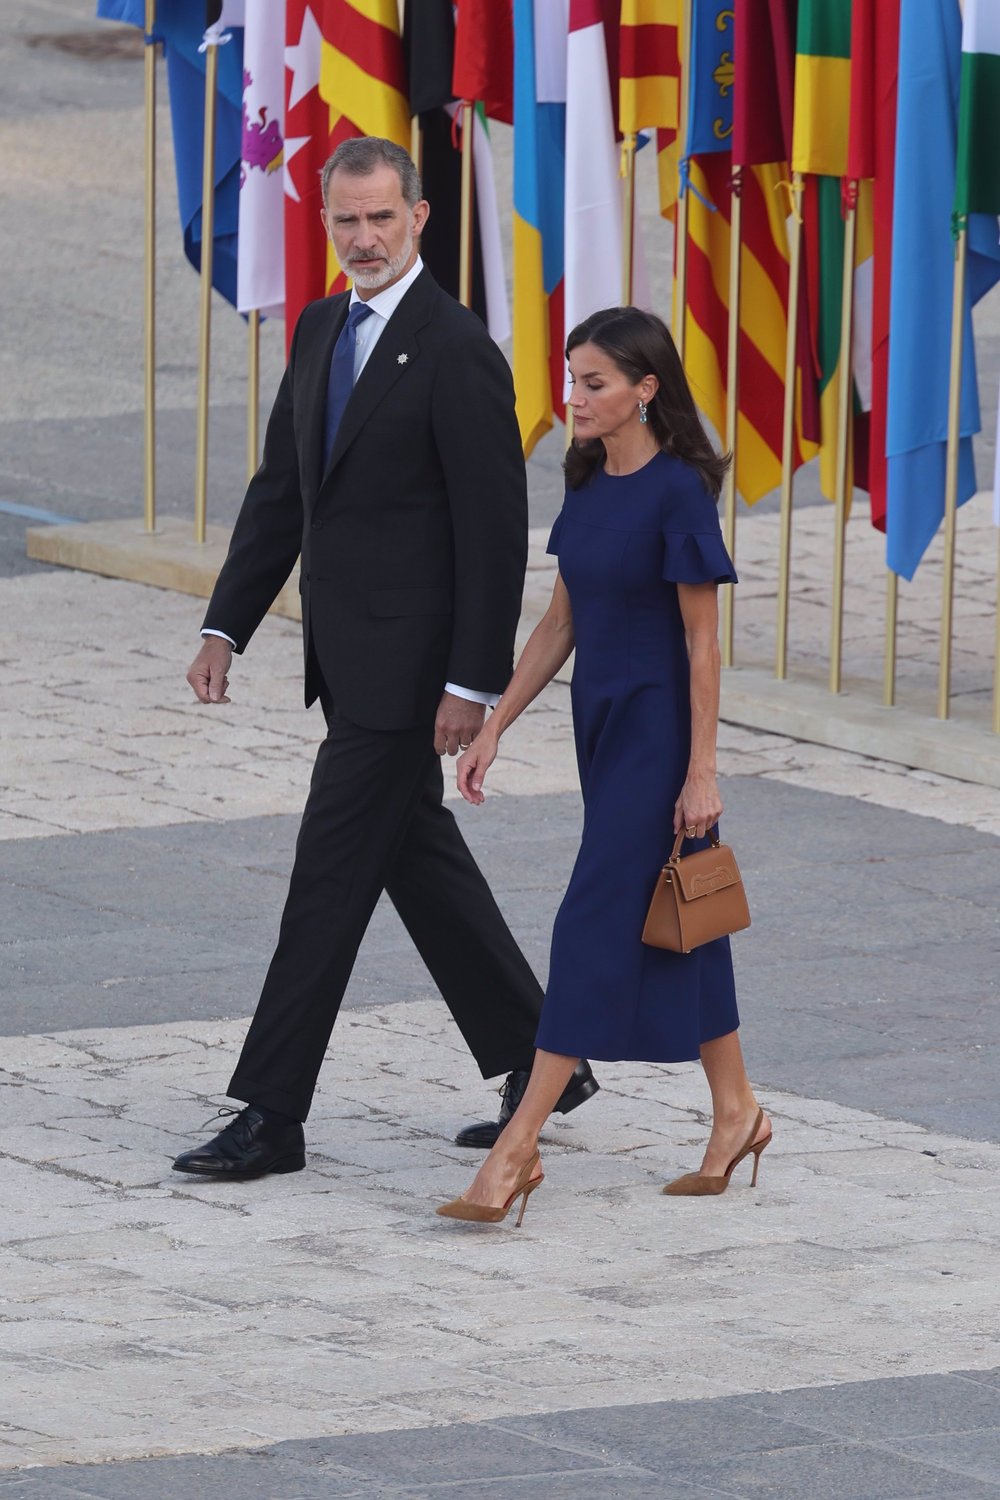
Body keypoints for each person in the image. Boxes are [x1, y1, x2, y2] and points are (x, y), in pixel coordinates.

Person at [172, 137, 597, 1181]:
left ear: (419, 218)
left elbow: (492, 533)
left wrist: (470, 684)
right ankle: (543, 1055)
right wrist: (226, 624)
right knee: (416, 858)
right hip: (344, 657)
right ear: (326, 223)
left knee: (327, 879)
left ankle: (272, 1113)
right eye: (346, 221)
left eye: (381, 218)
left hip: (409, 677)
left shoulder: (457, 349)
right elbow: (284, 491)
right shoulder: (320, 326)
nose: (363, 239)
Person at [437, 307, 771, 1227]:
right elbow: (561, 621)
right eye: (572, 379)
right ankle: (737, 1111)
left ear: (645, 390)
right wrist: (496, 725)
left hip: (660, 739)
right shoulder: (586, 478)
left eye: (594, 384)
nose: (574, 399)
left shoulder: (677, 493)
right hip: (604, 730)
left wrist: (702, 772)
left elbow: (703, 645)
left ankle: (518, 1146)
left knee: (590, 923)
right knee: (683, 916)